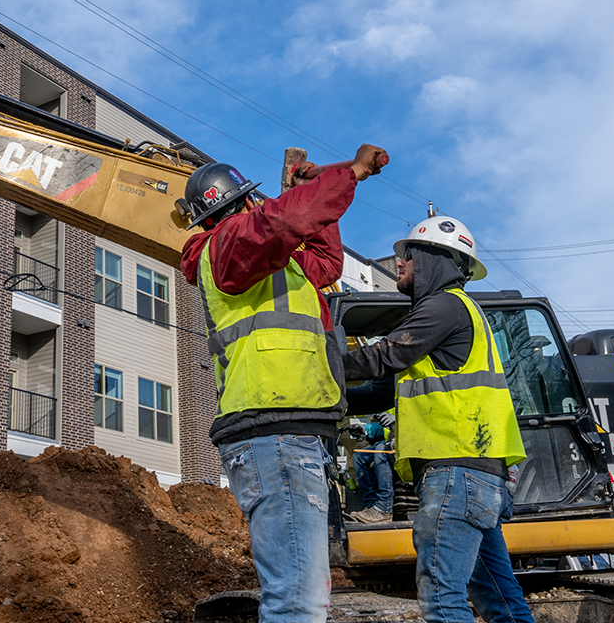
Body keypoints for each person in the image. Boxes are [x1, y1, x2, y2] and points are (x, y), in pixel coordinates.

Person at [179, 144, 387, 623]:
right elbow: (281, 222)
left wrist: (308, 190)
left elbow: (324, 261)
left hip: (289, 429)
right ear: (240, 205)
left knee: (303, 596)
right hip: (272, 431)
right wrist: (347, 173)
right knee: (298, 601)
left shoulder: (270, 258)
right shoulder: (229, 244)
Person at [344, 215, 534, 623]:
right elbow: (385, 388)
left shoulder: (443, 306)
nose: (400, 263)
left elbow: (383, 356)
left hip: (456, 472)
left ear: (433, 260)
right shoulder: (455, 313)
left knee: (442, 597)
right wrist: (334, 401)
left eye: (407, 255)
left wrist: (315, 366)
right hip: (481, 476)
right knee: (500, 598)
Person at [350, 412, 394, 523]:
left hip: (408, 444)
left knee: (380, 449)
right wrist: (364, 429)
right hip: (390, 443)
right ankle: (371, 504)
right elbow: (381, 427)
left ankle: (384, 508)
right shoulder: (391, 402)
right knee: (358, 456)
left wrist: (396, 420)